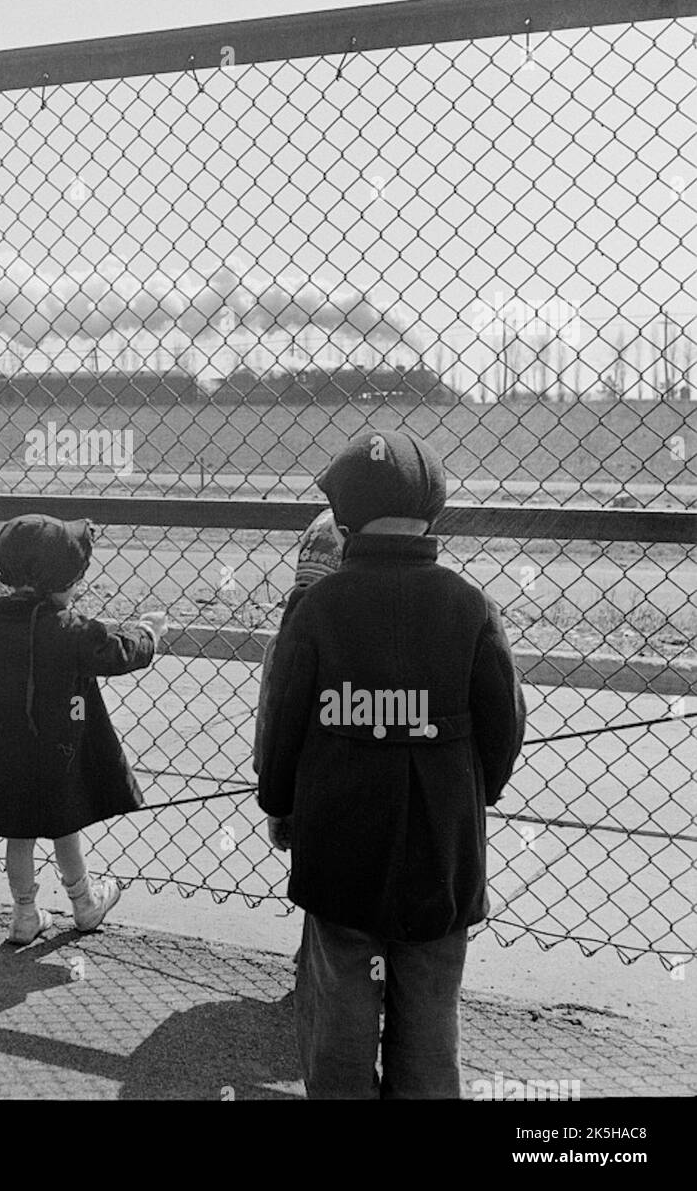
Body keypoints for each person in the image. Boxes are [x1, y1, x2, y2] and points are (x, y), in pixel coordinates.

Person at [257, 431, 527, 1098]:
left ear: (342, 519)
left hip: (339, 846)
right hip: (441, 847)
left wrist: (279, 803)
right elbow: (503, 726)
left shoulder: (318, 607)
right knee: (431, 1006)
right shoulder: (468, 604)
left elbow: (283, 719)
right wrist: (474, 790)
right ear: (434, 515)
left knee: (342, 999)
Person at [0, 514, 166, 944]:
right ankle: (84, 903)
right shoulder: (71, 630)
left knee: (18, 831)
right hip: (57, 750)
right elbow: (117, 653)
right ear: (55, 581)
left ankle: (23, 914)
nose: (77, 587)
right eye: (73, 580)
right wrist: (148, 632)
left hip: (3, 749)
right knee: (62, 824)